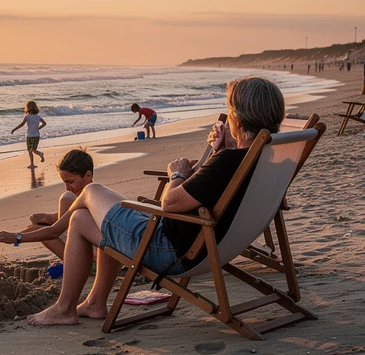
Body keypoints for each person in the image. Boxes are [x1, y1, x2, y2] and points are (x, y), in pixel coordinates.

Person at [17, 77, 284, 326]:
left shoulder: (229, 163)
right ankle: (96, 304)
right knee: (82, 218)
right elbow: (212, 189)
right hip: (210, 245)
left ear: (237, 117)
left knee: (91, 191)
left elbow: (171, 203)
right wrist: (218, 152)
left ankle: (64, 305)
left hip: (168, 249)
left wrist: (176, 173)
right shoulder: (267, 158)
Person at [0, 149, 94, 260]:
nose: (67, 187)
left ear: (88, 176)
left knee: (66, 198)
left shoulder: (88, 199)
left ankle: (73, 263)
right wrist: (44, 218)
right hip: (93, 251)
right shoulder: (93, 194)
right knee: (39, 226)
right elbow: (61, 219)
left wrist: (17, 237)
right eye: (65, 182)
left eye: (70, 182)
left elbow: (54, 232)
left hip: (92, 260)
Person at [12, 100, 46, 168]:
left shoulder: (27, 117)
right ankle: (40, 154)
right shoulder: (38, 116)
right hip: (37, 135)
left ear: (27, 108)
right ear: (36, 107)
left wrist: (14, 129)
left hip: (30, 135)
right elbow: (44, 123)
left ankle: (32, 163)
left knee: (30, 150)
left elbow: (21, 124)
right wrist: (38, 128)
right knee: (33, 149)